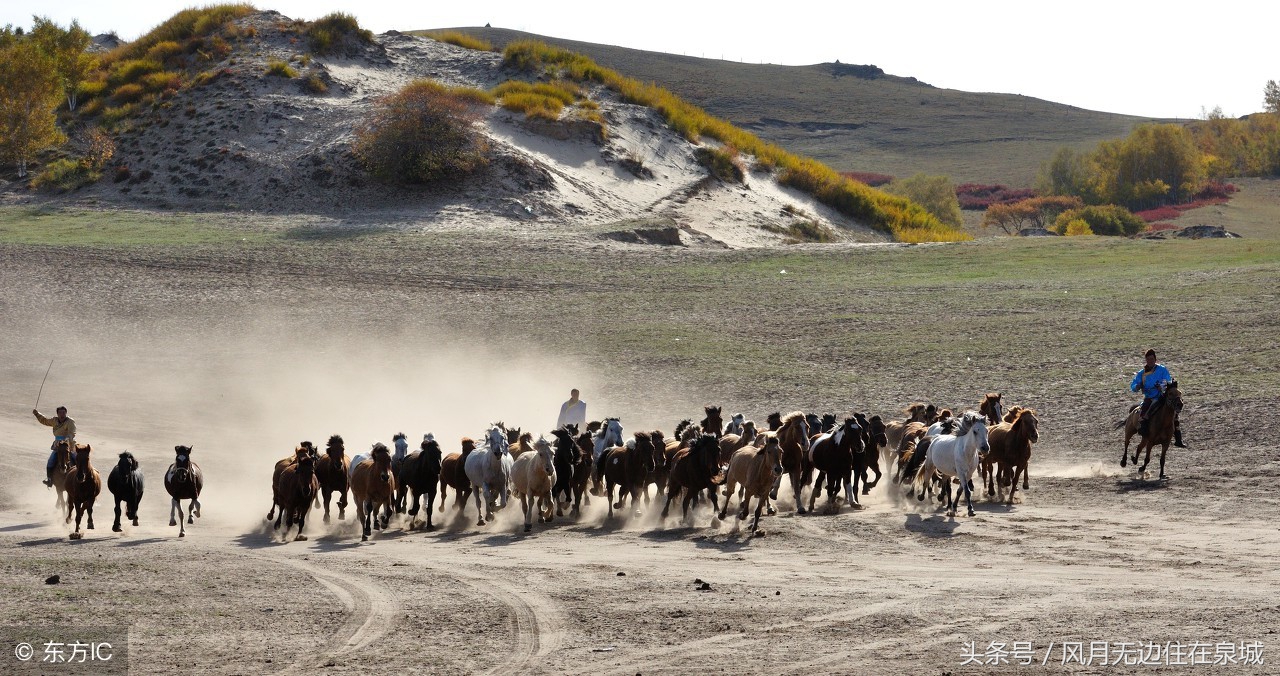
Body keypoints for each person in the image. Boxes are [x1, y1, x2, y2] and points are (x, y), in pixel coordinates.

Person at [1129, 349, 1186, 447]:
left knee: (1174, 415)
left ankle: (1178, 439)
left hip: (1162, 397)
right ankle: (1145, 432)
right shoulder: (1142, 373)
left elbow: (1168, 381)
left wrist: (1162, 387)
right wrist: (1137, 386)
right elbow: (1133, 386)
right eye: (1148, 359)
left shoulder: (1162, 370)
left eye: (1152, 359)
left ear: (1155, 359)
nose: (1150, 361)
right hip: (1149, 398)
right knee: (1144, 415)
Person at [35, 405, 76, 486]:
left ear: (66, 413)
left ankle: (83, 477)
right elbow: (45, 421)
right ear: (57, 414)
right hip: (57, 446)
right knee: (50, 461)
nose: (62, 415)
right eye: (60, 413)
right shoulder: (54, 420)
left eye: (63, 413)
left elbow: (72, 432)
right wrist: (37, 414)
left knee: (77, 458)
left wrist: (66, 439)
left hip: (69, 445)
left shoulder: (70, 421)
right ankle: (49, 479)